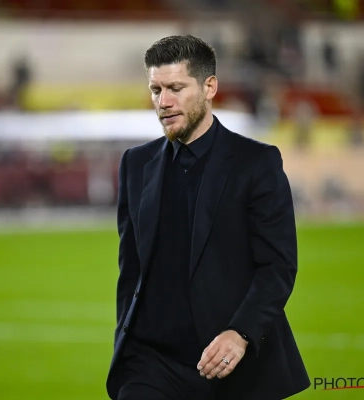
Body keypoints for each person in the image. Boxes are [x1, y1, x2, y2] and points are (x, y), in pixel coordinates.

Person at [106, 35, 310, 400]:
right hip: (150, 364)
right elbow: (131, 268)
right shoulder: (135, 164)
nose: (163, 102)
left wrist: (240, 333)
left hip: (231, 362)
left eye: (176, 88)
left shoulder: (256, 163)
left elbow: (277, 266)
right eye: (155, 90)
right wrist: (125, 336)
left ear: (209, 87)